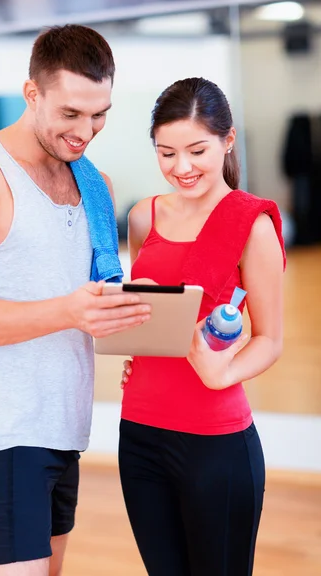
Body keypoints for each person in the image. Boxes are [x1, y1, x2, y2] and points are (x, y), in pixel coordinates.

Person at [0, 24, 151, 576]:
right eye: (70, 114)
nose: (86, 130)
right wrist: (70, 311)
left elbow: (96, 298)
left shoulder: (95, 184)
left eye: (99, 114)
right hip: (6, 432)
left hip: (65, 427)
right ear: (33, 94)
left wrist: (144, 331)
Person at [119, 77, 285, 576]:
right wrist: (130, 343)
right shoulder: (144, 217)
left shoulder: (251, 224)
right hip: (140, 434)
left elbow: (270, 339)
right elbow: (148, 312)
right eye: (166, 153)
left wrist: (222, 373)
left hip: (216, 441)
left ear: (227, 141)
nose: (181, 168)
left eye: (196, 150)